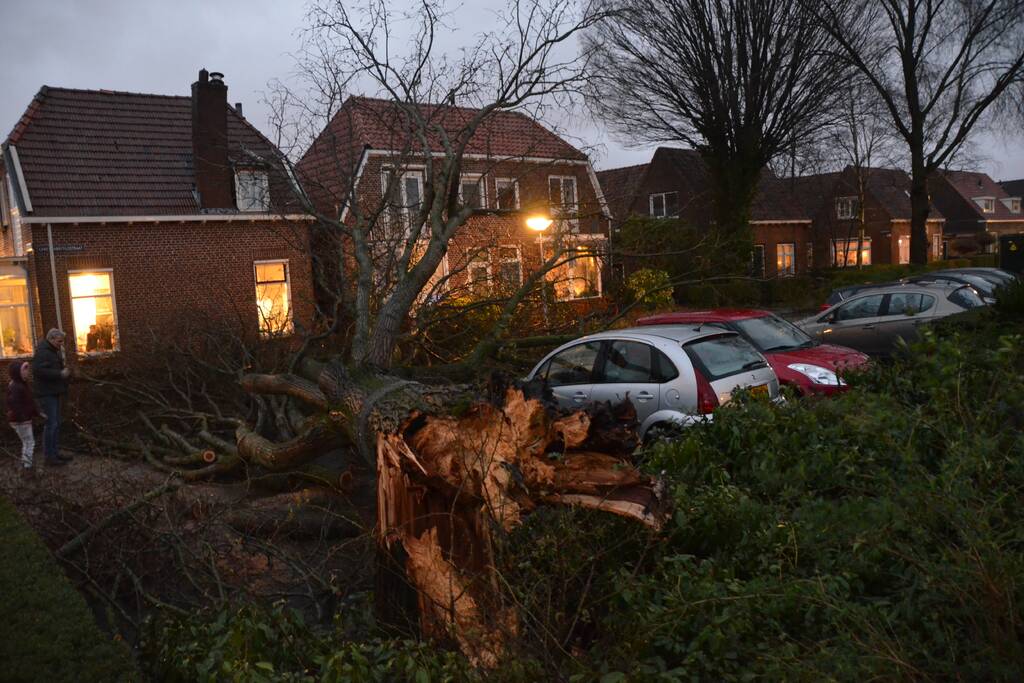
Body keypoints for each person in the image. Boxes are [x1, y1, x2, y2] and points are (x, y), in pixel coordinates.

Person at [32, 328, 72, 466]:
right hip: (46, 393)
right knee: (51, 425)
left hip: (53, 392)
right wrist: (60, 374)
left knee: (55, 424)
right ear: (52, 339)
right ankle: (50, 457)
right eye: (59, 341)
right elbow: (38, 371)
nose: (61, 344)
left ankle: (54, 453)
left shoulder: (51, 351)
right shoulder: (43, 352)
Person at [6, 360, 43, 471]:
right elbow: (14, 404)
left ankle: (26, 463)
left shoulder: (21, 385)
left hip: (22, 419)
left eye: (27, 369)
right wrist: (22, 418)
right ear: (17, 372)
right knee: (29, 443)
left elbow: (29, 402)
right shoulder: (16, 387)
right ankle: (27, 466)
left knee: (26, 442)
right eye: (25, 369)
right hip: (21, 421)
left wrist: (37, 413)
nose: (28, 372)